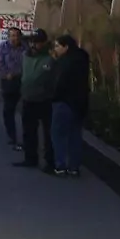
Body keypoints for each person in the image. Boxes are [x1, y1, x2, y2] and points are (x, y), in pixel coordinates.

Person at [15, 29, 56, 172]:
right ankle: (30, 158)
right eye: (32, 41)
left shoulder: (50, 58)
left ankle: (50, 161)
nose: (33, 44)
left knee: (48, 133)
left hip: (45, 100)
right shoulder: (25, 57)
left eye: (37, 42)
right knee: (28, 131)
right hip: (28, 98)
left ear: (44, 43)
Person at [51, 35, 90, 177]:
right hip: (79, 103)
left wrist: (53, 96)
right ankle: (74, 167)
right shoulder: (82, 59)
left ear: (65, 47)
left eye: (57, 46)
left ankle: (60, 166)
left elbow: (59, 82)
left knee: (59, 134)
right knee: (75, 135)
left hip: (63, 102)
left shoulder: (64, 62)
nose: (55, 49)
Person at [0, 28, 27, 146]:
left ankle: (26, 136)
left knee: (25, 110)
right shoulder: (2, 48)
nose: (15, 38)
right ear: (8, 37)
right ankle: (12, 135)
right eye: (12, 36)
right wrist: (5, 74)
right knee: (9, 110)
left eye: (17, 36)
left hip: (23, 81)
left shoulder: (25, 48)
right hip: (8, 81)